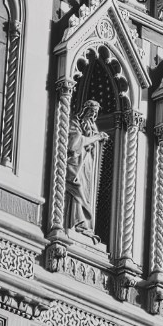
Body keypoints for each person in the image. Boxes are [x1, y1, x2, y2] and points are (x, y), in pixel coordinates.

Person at [67, 100, 103, 234]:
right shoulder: (74, 123)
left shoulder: (92, 127)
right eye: (91, 112)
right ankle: (77, 221)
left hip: (88, 165)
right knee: (77, 188)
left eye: (95, 114)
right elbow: (73, 145)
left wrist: (96, 138)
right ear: (85, 111)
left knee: (86, 193)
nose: (93, 116)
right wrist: (96, 138)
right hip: (76, 163)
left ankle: (85, 223)